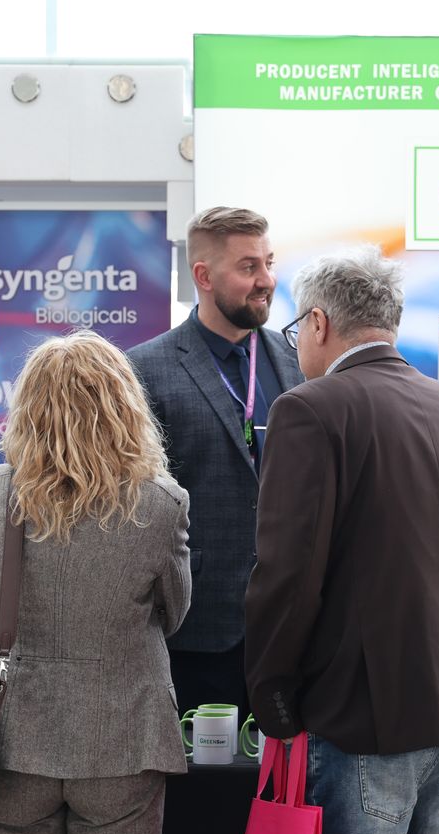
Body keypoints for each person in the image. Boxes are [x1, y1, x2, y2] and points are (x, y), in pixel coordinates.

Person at [245, 246, 439, 834]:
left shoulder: (309, 409)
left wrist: (273, 698)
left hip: (359, 716)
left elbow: (288, 574)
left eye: (297, 329)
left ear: (318, 323)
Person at [0, 331, 191, 834]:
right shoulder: (162, 502)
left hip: (14, 735)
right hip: (124, 736)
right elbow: (174, 613)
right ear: (124, 407)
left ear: (29, 409)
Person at [127, 206, 303, 715]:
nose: (266, 280)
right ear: (203, 276)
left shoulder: (296, 360)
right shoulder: (144, 369)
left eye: (268, 262)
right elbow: (137, 500)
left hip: (293, 624)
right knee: (202, 768)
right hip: (197, 625)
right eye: (249, 267)